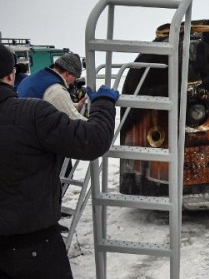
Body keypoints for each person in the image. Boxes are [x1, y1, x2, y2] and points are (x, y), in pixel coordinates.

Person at [0, 43, 119, 278]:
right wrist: (103, 106)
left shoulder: (37, 85)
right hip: (33, 247)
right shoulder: (40, 106)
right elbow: (90, 139)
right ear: (10, 75)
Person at [18, 52, 87, 120]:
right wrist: (95, 125)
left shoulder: (34, 78)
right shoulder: (56, 89)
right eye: (75, 78)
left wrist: (78, 105)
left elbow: (58, 103)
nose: (73, 82)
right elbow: (74, 119)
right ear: (68, 74)